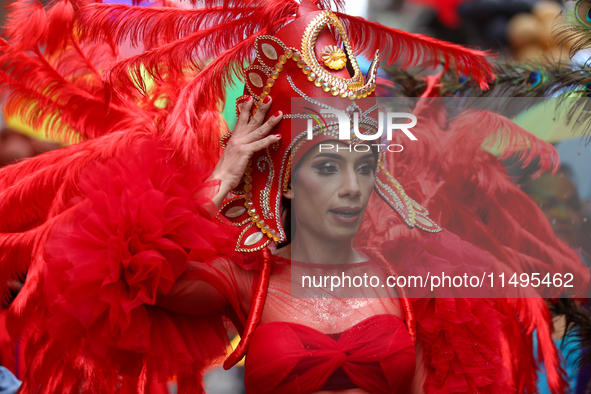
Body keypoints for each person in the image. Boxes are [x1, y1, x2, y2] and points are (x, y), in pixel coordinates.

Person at [0, 0, 589, 393]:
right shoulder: (247, 280)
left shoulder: (412, 276)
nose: (351, 187)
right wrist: (220, 180)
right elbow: (119, 279)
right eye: (327, 166)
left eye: (364, 166)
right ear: (283, 176)